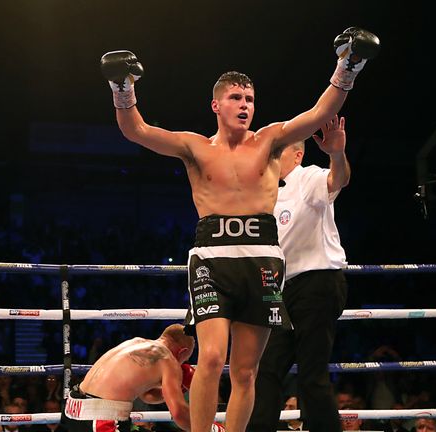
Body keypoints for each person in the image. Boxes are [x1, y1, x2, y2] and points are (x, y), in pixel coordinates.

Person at [101, 27, 379, 432]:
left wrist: (348, 66)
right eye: (235, 97)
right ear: (216, 105)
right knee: (211, 358)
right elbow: (136, 131)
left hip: (263, 258)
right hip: (212, 257)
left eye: (249, 98)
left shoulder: (271, 141)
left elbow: (320, 113)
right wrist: (121, 88)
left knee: (246, 371)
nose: (244, 104)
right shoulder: (194, 146)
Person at [246, 114, 351, 432]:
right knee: (265, 370)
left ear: (297, 154)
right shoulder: (268, 195)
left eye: (276, 151)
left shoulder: (309, 178)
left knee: (311, 374)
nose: (270, 156)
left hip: (317, 282)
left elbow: (339, 180)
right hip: (279, 292)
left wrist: (336, 153)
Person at [61, 324, 196, 432]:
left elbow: (147, 396)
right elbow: (179, 414)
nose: (182, 364)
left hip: (73, 408)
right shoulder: (168, 360)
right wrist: (209, 427)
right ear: (182, 352)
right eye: (186, 359)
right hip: (100, 417)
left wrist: (180, 388)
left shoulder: (136, 342)